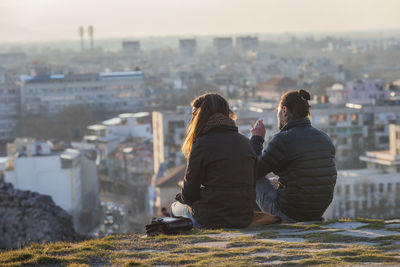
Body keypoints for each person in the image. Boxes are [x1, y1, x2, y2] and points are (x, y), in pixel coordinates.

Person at [170, 93, 257, 228]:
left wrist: (181, 197)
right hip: (244, 217)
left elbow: (188, 195)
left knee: (174, 207)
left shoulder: (201, 144)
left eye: (194, 115)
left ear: (200, 116)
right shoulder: (245, 142)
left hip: (211, 217)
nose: (191, 120)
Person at [250, 89, 337, 222]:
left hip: (289, 214)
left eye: (278, 111)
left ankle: (245, 219)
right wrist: (277, 183)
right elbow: (304, 172)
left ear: (284, 111)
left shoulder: (283, 139)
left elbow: (252, 170)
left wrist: (256, 140)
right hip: (316, 212)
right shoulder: (324, 138)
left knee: (252, 178)